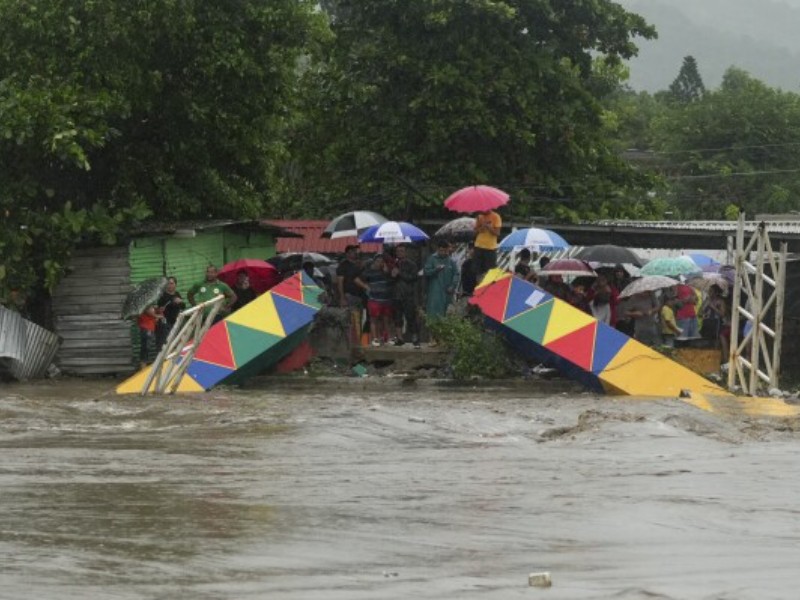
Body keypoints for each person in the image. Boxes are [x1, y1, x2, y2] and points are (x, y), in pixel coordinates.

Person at [336, 244, 369, 345]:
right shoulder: (343, 266)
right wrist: (342, 297)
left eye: (355, 251)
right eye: (352, 251)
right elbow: (340, 282)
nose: (355, 253)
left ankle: (358, 341)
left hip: (359, 296)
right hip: (349, 295)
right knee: (351, 320)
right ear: (347, 253)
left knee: (358, 319)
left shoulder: (357, 265)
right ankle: (351, 343)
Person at [389, 244, 421, 347]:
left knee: (410, 317)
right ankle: (399, 338)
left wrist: (400, 273)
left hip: (408, 295)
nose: (399, 253)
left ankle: (415, 338)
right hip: (396, 295)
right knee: (397, 318)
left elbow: (413, 278)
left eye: (402, 251)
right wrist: (392, 275)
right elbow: (391, 280)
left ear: (405, 252)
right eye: (398, 251)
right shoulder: (394, 264)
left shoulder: (411, 264)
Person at [361, 254, 393, 346]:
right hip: (374, 299)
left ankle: (387, 337)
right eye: (378, 261)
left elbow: (392, 281)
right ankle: (375, 339)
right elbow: (358, 279)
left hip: (386, 299)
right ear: (374, 262)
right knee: (374, 319)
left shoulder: (386, 271)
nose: (380, 263)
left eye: (382, 261)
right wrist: (365, 286)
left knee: (386, 319)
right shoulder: (369, 272)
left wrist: (387, 272)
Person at [424, 240, 459, 319]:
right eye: (441, 250)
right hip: (435, 292)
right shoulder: (432, 259)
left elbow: (456, 274)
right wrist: (435, 270)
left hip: (447, 292)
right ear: (438, 249)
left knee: (447, 314)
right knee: (433, 314)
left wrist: (453, 286)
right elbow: (426, 272)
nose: (443, 252)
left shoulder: (451, 261)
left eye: (445, 251)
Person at [155, 276, 184, 350]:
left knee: (175, 342)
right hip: (165, 323)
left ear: (175, 284)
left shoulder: (177, 294)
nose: (170, 285)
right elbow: (158, 309)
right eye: (168, 284)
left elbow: (183, 306)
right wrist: (160, 309)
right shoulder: (162, 295)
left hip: (176, 322)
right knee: (165, 343)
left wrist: (180, 302)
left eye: (172, 283)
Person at [473, 208, 502, 279]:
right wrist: (482, 227)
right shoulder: (479, 217)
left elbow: (497, 233)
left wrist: (489, 227)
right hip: (479, 246)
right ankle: (478, 286)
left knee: (490, 271)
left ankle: (488, 287)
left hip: (490, 248)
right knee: (478, 271)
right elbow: (475, 231)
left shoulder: (496, 216)